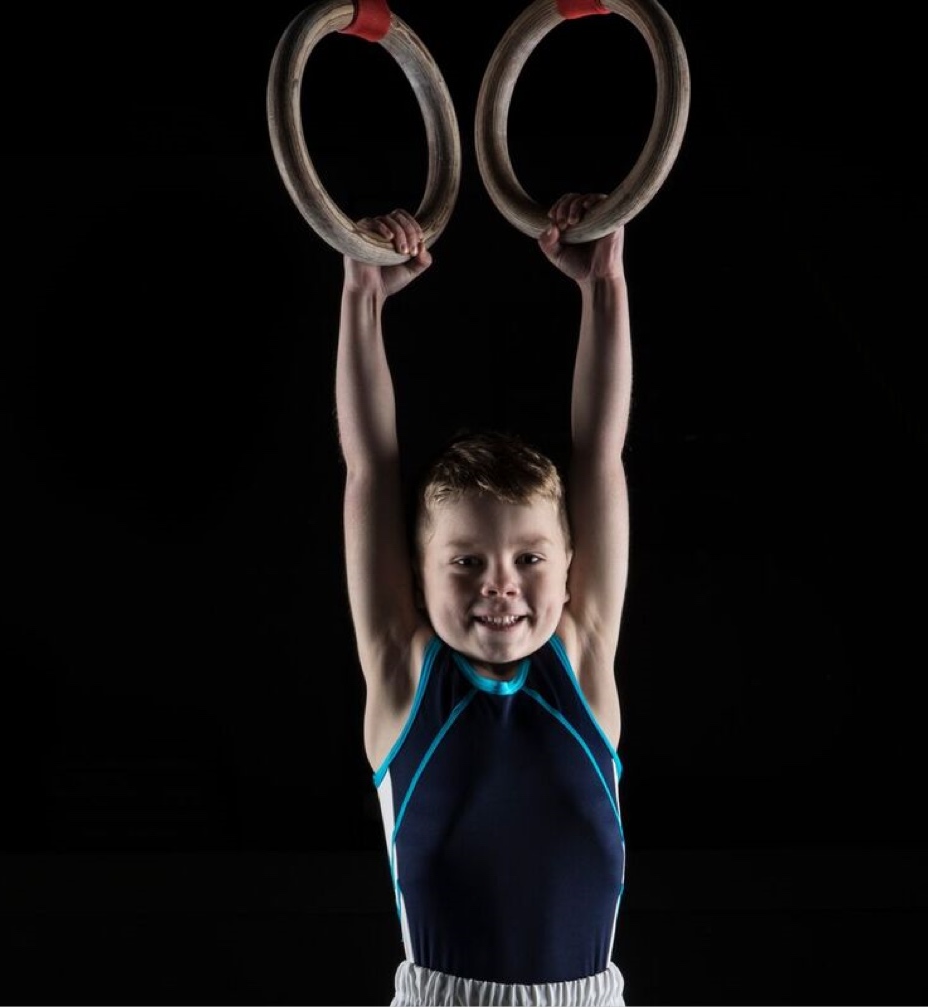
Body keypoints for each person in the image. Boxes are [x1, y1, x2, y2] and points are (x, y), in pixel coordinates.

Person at [335, 192, 632, 1007]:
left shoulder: (583, 653)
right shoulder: (403, 673)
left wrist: (604, 281)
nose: (500, 581)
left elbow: (601, 453)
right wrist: (362, 293)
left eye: (528, 557)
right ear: (417, 572)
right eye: (465, 561)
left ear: (572, 565)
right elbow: (370, 465)